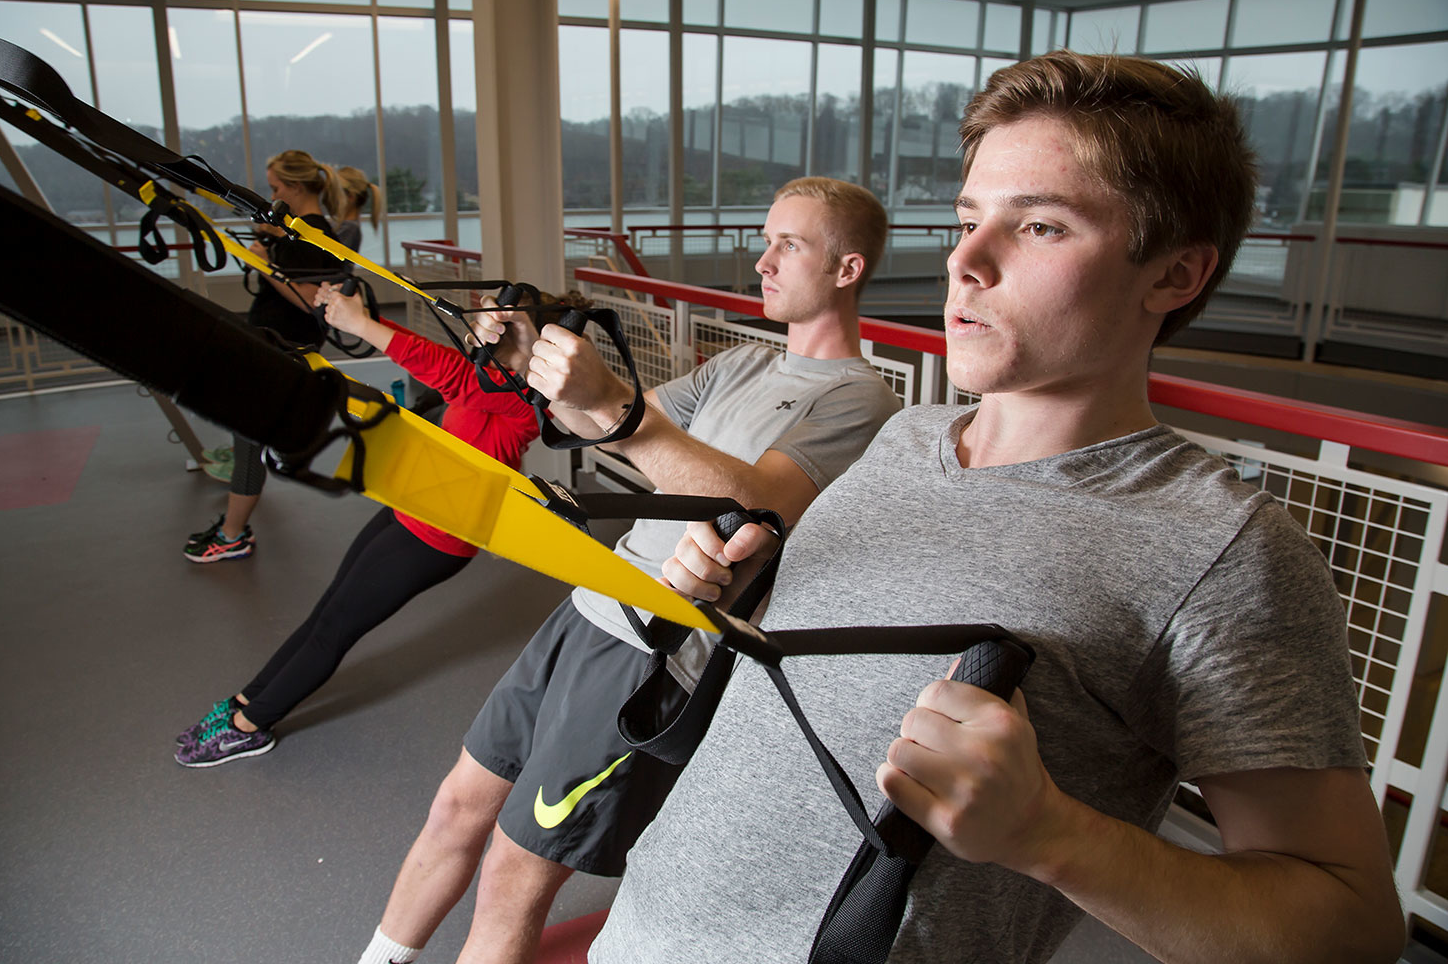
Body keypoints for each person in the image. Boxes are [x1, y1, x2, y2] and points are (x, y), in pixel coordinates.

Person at [590, 52, 1405, 964]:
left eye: (1043, 227)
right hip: (647, 929)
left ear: (1175, 276)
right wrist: (732, 597)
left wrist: (1055, 836)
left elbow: (1353, 929)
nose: (966, 262)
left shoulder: (1221, 547)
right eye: (969, 219)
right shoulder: (905, 438)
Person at [353, 177, 904, 964]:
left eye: (789, 244)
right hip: (587, 605)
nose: (763, 261)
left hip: (657, 650)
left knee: (513, 873)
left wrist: (613, 403)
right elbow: (606, 432)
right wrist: (529, 358)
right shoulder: (743, 363)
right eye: (766, 238)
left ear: (847, 270)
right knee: (456, 808)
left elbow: (758, 504)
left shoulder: (863, 403)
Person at [174, 284, 557, 766]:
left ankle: (250, 727)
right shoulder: (495, 376)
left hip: (437, 538)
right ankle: (246, 701)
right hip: (409, 508)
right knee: (325, 611)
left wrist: (360, 325)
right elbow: (447, 364)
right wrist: (357, 317)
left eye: (511, 330)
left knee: (334, 628)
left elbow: (452, 374)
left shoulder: (528, 402)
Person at [185, 148, 348, 562]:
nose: (271, 193)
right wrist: (272, 242)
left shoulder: (318, 233)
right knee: (246, 435)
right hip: (270, 340)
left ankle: (233, 534)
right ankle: (233, 527)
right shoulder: (298, 231)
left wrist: (265, 264)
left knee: (249, 440)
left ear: (295, 187)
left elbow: (312, 300)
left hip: (288, 346)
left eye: (276, 187)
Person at [332, 165, 383, 253]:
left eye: (335, 193)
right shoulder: (344, 226)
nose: (331, 198)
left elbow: (329, 259)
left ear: (350, 197)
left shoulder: (349, 229)